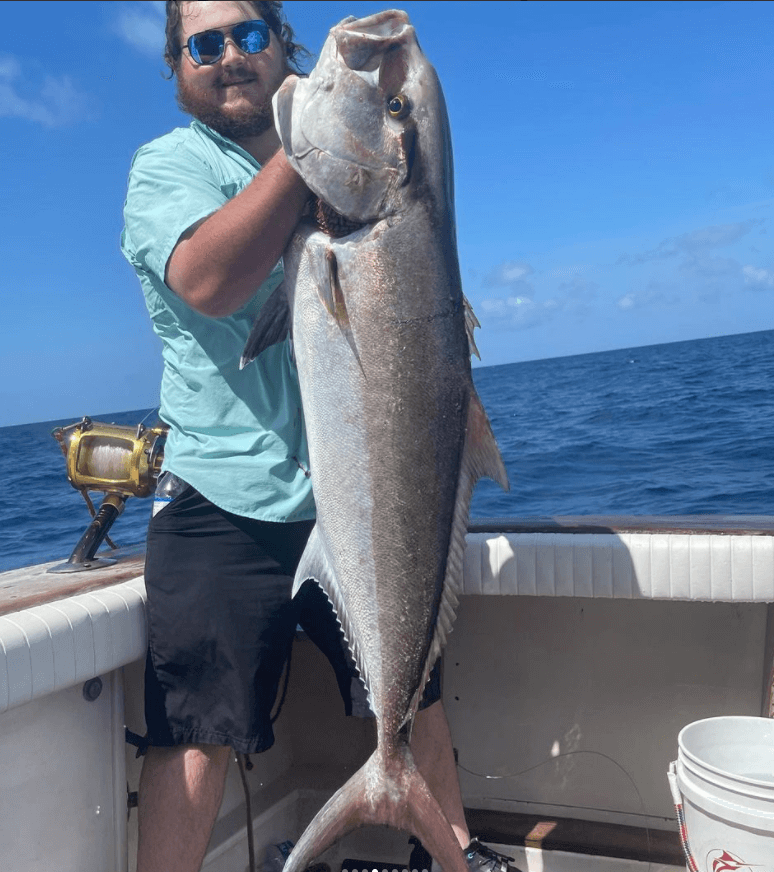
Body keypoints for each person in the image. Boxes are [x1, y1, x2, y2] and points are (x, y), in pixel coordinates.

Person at [122, 3, 519, 872]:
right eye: (206, 42)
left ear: (279, 48)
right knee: (194, 728)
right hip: (222, 499)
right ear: (178, 63)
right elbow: (210, 280)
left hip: (352, 496)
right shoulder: (169, 167)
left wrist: (361, 122)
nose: (230, 55)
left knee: (417, 702)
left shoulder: (350, 188)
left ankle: (448, 849)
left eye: (250, 35)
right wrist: (318, 159)